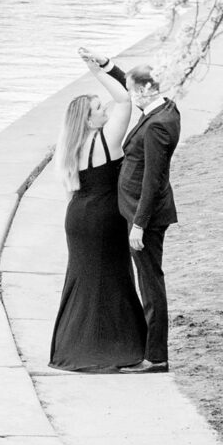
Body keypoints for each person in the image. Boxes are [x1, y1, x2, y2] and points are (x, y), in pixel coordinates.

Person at [79, 50, 179, 372]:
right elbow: (132, 87)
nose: (129, 95)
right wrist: (107, 67)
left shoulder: (157, 127)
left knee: (150, 286)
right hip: (139, 212)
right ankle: (151, 351)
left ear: (146, 91)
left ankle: (156, 357)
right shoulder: (160, 108)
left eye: (134, 90)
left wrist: (139, 224)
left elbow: (153, 180)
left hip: (145, 216)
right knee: (147, 283)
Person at [47, 83, 146, 372]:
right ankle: (113, 348)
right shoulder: (107, 141)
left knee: (82, 281)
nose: (105, 109)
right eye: (98, 108)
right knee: (115, 278)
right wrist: (101, 69)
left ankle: (72, 346)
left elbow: (70, 192)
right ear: (89, 120)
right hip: (105, 218)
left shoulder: (70, 148)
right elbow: (124, 99)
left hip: (77, 217)